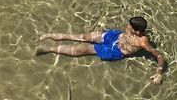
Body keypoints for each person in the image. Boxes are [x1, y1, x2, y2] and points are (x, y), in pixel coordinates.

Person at [36, 17, 166, 84]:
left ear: (137, 32)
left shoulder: (143, 42)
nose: (127, 27)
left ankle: (49, 49)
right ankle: (47, 35)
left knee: (81, 49)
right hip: (114, 36)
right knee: (82, 36)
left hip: (115, 50)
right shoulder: (131, 30)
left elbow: (159, 56)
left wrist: (159, 73)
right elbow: (127, 31)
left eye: (130, 27)